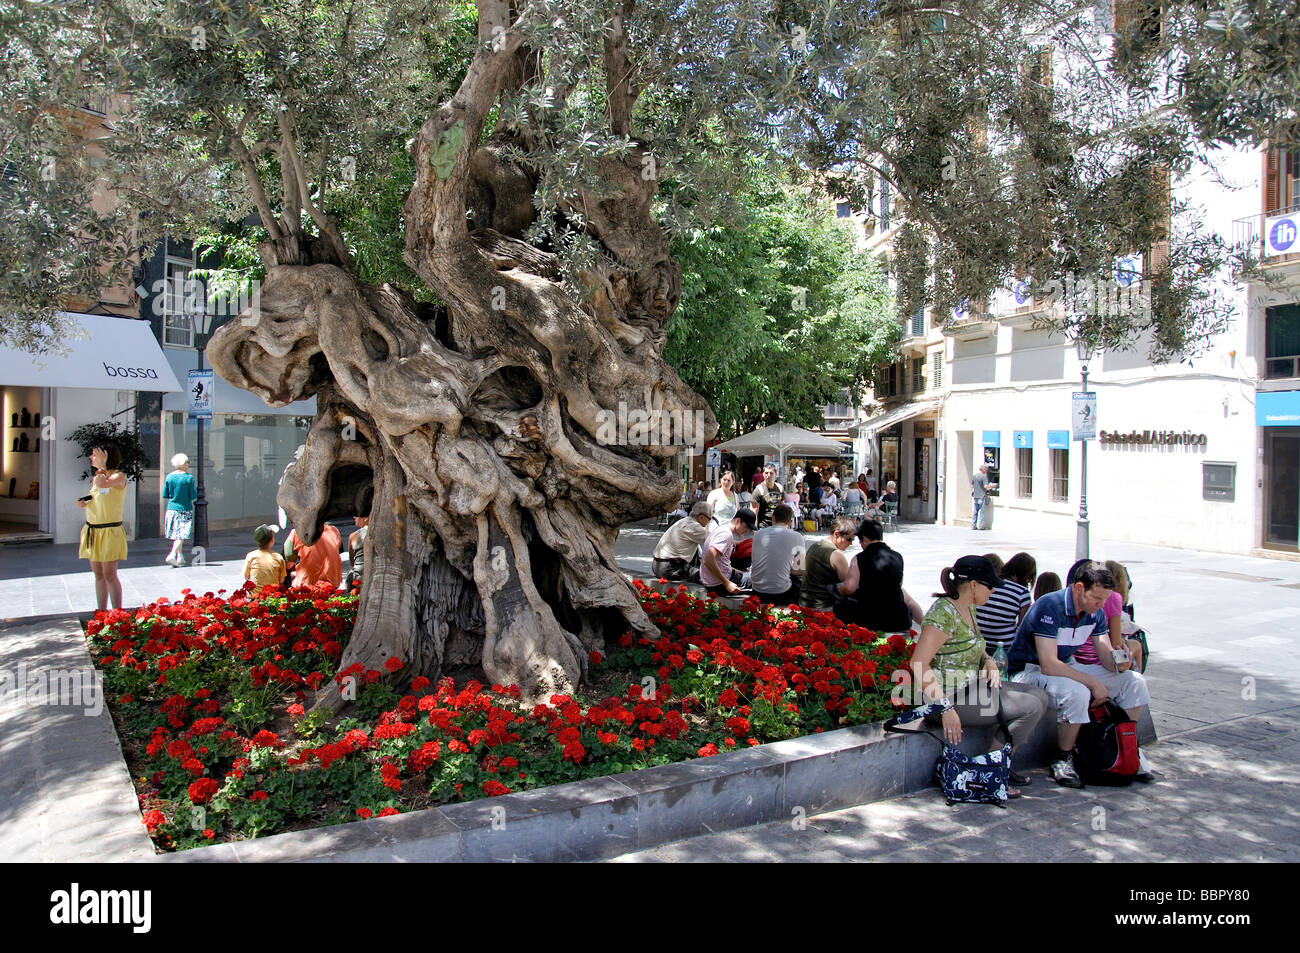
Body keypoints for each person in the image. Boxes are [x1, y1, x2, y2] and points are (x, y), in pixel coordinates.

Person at [909, 556, 1050, 798]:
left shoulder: (968, 606)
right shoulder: (943, 613)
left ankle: (1000, 762)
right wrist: (945, 709)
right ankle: (989, 772)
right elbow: (918, 663)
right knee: (1031, 706)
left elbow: (976, 645)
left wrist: (988, 661)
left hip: (970, 688)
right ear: (973, 584)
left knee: (1040, 696)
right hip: (946, 697)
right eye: (990, 585)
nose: (994, 590)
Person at [1007, 561, 1154, 787]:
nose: (1100, 605)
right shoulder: (1050, 606)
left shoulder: (1095, 612)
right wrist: (1092, 682)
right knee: (1077, 692)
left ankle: (1126, 745)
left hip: (1065, 665)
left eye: (1104, 600)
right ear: (1078, 588)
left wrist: (1120, 662)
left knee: (1134, 682)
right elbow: (1048, 664)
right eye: (1096, 598)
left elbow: (1105, 653)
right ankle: (1063, 758)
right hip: (1028, 670)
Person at [831, 518, 924, 634]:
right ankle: (924, 626)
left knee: (841, 605)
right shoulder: (897, 557)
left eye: (860, 542)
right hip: (900, 619)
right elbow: (899, 585)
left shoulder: (859, 559)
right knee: (904, 597)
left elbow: (849, 588)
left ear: (864, 539)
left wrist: (837, 588)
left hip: (871, 620)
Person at [77, 445, 129, 611]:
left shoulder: (117, 476)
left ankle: (117, 612)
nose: (92, 458)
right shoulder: (98, 476)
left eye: (95, 455)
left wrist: (101, 466)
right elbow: (98, 497)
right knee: (98, 573)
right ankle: (101, 611)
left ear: (105, 456)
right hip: (94, 530)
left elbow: (103, 486)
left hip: (109, 531)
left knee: (109, 573)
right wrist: (85, 502)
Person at [975, 551, 1037, 654]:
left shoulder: (988, 584)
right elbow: (1023, 626)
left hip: (979, 642)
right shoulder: (1022, 592)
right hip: (1004, 647)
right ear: (1028, 576)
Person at [750, 504, 806, 605]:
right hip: (781, 591)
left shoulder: (758, 534)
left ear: (773, 518)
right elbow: (801, 569)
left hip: (757, 589)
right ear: (790, 522)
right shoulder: (797, 536)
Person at [799, 517, 857, 609]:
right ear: (836, 534)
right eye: (849, 539)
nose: (851, 544)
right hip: (824, 606)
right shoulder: (837, 555)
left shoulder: (814, 546)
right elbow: (847, 586)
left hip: (804, 603)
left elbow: (800, 569)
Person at [700, 509, 756, 595]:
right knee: (758, 581)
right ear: (738, 521)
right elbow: (708, 560)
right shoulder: (726, 534)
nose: (747, 531)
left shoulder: (723, 528)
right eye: (746, 527)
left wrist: (734, 543)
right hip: (718, 584)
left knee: (749, 575)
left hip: (714, 578)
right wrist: (727, 583)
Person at [651, 501, 710, 579]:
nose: (709, 521)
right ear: (701, 517)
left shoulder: (684, 521)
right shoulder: (694, 527)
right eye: (709, 519)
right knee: (709, 577)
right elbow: (711, 540)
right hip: (670, 569)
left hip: (659, 565)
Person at [161, 452, 197, 567]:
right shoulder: (188, 477)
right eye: (187, 462)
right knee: (182, 533)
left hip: (171, 508)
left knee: (176, 533)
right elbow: (193, 495)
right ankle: (172, 554)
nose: (188, 465)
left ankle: (180, 556)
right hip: (184, 508)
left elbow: (165, 494)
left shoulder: (170, 476)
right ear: (183, 463)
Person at [284, 522, 343, 589]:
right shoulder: (334, 531)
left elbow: (289, 563)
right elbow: (338, 553)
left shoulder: (296, 533)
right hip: (333, 583)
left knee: (287, 574)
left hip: (307, 585)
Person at [243, 524, 287, 589]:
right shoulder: (278, 557)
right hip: (272, 596)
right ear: (272, 540)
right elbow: (281, 580)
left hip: (254, 596)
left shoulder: (250, 556)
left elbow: (246, 576)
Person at [971, 465, 997, 530]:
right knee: (982, 512)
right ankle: (981, 526)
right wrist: (993, 485)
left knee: (975, 511)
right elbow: (986, 486)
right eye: (986, 470)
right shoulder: (984, 477)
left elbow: (972, 485)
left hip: (975, 496)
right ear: (984, 470)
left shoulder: (975, 476)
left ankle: (973, 525)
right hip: (982, 496)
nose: (987, 471)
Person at [347, 515, 369, 590]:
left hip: (359, 575)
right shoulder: (381, 533)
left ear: (366, 518)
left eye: (357, 516)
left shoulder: (353, 536)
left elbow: (352, 561)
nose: (354, 517)